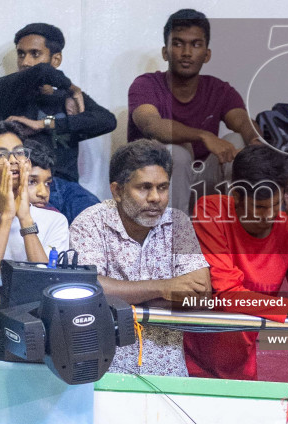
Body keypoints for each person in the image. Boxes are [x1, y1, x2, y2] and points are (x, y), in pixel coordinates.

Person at [184, 145, 288, 381]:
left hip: (243, 368)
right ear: (237, 196)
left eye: (276, 205)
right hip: (191, 365)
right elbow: (228, 295)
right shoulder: (211, 209)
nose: (269, 215)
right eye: (260, 207)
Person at [69, 140, 211, 376]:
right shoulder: (90, 222)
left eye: (163, 187)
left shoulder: (178, 223)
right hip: (105, 372)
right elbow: (89, 289)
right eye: (144, 187)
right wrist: (164, 288)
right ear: (117, 191)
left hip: (169, 373)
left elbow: (200, 295)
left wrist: (123, 296)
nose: (155, 197)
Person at [127, 9, 261, 213]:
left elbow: (243, 122)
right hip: (153, 185)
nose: (187, 53)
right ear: (165, 51)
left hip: (201, 181)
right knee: (177, 153)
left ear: (207, 54)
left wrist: (256, 142)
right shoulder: (146, 84)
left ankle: (231, 230)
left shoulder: (218, 89)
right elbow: (151, 124)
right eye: (178, 44)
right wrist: (203, 135)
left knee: (237, 141)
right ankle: (172, 236)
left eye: (196, 45)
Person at [0, 22, 113, 221]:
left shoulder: (67, 98)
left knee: (101, 224)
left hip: (67, 187)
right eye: (21, 54)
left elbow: (107, 121)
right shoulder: (7, 89)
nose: (25, 62)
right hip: (24, 183)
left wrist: (45, 124)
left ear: (56, 59)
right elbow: (41, 72)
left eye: (35, 54)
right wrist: (73, 88)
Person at [0, 121, 69, 280]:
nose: (13, 160)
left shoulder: (55, 221)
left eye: (19, 152)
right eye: (0, 154)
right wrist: (6, 218)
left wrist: (25, 219)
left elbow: (49, 283)